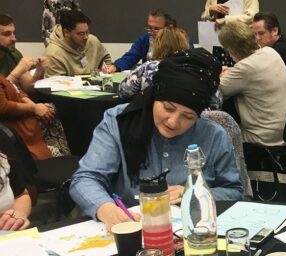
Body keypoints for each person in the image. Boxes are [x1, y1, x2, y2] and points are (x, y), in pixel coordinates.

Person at [70, 48, 243, 230]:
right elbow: (86, 178)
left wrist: (194, 193)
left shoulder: (213, 135)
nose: (173, 121)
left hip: (193, 234)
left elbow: (233, 191)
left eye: (188, 117)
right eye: (168, 108)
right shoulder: (118, 122)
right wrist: (105, 208)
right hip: (131, 227)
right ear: (154, 97)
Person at [217, 20, 286, 146]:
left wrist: (221, 74)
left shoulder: (244, 68)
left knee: (219, 134)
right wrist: (233, 71)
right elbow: (253, 74)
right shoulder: (270, 52)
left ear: (231, 49)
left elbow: (218, 89)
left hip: (266, 136)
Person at [0, 73, 54, 160]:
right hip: (17, 128)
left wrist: (35, 106)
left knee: (52, 108)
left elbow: (16, 90)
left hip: (26, 119)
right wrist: (33, 108)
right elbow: (3, 107)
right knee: (57, 110)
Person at [44, 10, 112, 77]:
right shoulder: (53, 54)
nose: (86, 37)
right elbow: (57, 85)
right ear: (66, 33)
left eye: (87, 32)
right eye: (81, 34)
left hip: (95, 85)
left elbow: (106, 61)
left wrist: (104, 71)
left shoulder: (92, 41)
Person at [108, 9, 176, 72]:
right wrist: (115, 67)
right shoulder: (144, 39)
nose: (152, 32)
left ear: (169, 28)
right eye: (149, 28)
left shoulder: (178, 43)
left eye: (156, 29)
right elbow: (131, 56)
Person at [0, 13, 51, 92]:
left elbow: (28, 88)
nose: (14, 38)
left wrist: (39, 70)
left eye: (13, 33)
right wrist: (15, 74)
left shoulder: (14, 53)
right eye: (6, 34)